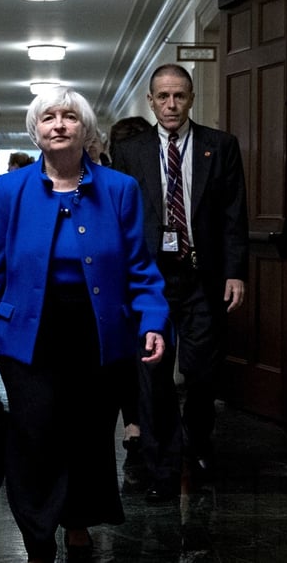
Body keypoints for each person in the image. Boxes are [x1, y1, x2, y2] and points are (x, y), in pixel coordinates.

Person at [0, 87, 169, 563]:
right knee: (34, 435)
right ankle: (38, 535)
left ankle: (77, 525)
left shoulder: (119, 188)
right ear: (35, 132)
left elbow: (140, 266)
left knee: (87, 436)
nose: (59, 124)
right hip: (29, 333)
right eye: (48, 118)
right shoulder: (9, 189)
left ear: (86, 129)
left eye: (70, 117)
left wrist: (154, 320)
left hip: (97, 333)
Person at [112, 63, 248, 502]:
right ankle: (160, 463)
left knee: (203, 371)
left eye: (180, 96)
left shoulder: (219, 146)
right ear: (150, 101)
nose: (172, 105)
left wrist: (235, 271)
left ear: (191, 99)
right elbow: (122, 219)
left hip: (201, 277)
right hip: (150, 280)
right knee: (152, 374)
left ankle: (199, 442)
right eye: (163, 97)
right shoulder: (131, 152)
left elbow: (233, 214)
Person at [106, 115, 153, 455]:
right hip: (132, 273)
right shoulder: (111, 181)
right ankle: (136, 420)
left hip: (130, 274)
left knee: (132, 357)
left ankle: (137, 422)